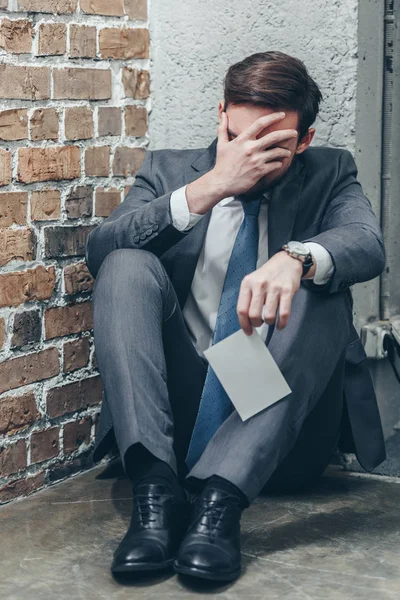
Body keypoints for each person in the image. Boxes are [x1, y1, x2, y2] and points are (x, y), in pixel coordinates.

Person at [84, 51, 386, 583]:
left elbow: (365, 243)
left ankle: (219, 504)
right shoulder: (170, 170)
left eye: (272, 146)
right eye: (239, 136)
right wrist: (213, 185)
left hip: (273, 424)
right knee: (126, 263)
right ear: (221, 114)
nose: (252, 155)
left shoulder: (330, 172)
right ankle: (155, 498)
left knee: (320, 283)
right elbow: (100, 248)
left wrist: (296, 258)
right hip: (173, 416)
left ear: (305, 142)